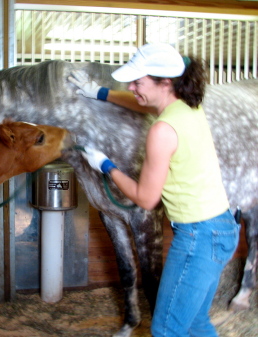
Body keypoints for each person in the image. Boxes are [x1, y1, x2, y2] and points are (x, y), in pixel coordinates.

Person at [69, 43, 240, 337]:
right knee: (196, 323)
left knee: (165, 329)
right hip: (222, 228)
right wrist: (99, 92)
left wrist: (107, 166)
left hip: (198, 237)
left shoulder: (162, 131)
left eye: (138, 81)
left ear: (165, 81)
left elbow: (146, 199)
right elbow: (143, 103)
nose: (131, 87)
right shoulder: (188, 107)